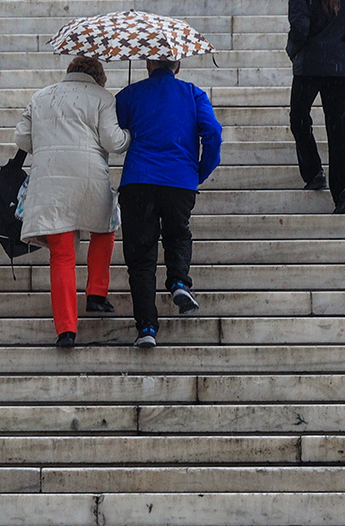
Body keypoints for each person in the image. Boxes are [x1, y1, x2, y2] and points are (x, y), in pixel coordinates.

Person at [14, 56, 131, 348]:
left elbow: (22, 139)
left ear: (70, 72)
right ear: (99, 77)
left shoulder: (40, 97)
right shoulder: (103, 97)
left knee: (62, 255)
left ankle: (66, 330)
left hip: (50, 181)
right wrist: (129, 134)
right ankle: (96, 294)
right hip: (89, 177)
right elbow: (113, 142)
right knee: (105, 229)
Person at [116, 58, 222, 348]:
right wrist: (200, 171)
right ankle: (178, 281)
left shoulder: (130, 94)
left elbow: (113, 132)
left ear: (148, 64)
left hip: (138, 179)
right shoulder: (193, 93)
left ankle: (147, 327)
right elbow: (213, 133)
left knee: (141, 258)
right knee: (177, 234)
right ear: (178, 66)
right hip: (180, 180)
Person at [286, 0, 345, 214]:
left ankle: (314, 172)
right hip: (340, 68)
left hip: (310, 67)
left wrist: (292, 50)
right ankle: (344, 188)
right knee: (339, 129)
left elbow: (300, 28)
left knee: (300, 118)